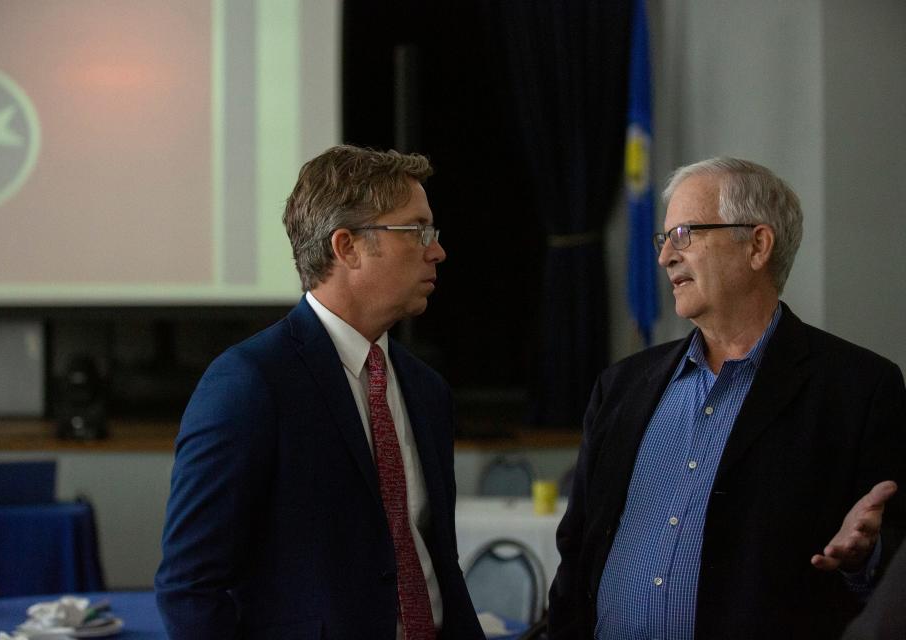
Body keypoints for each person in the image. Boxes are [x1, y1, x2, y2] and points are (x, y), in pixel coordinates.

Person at [548, 157, 906, 639]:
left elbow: (890, 568)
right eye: (664, 239)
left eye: (684, 234)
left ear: (757, 245)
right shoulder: (620, 387)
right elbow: (577, 555)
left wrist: (867, 557)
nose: (665, 257)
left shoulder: (858, 389)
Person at [155, 145, 484, 640]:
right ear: (347, 247)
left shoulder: (426, 390)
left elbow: (435, 559)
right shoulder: (250, 383)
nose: (437, 250)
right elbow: (190, 586)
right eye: (416, 231)